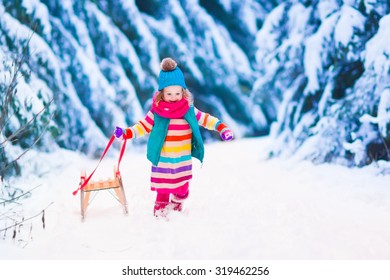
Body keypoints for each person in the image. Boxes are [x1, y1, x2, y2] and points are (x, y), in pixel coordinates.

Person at [114, 57, 233, 217]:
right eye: (169, 93)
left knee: (182, 189)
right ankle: (160, 212)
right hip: (163, 160)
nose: (174, 96)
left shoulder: (188, 110)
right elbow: (143, 126)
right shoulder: (157, 112)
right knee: (162, 190)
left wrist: (221, 127)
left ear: (183, 92)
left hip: (182, 160)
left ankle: (177, 204)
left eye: (177, 93)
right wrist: (126, 133)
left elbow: (206, 119)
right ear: (161, 94)